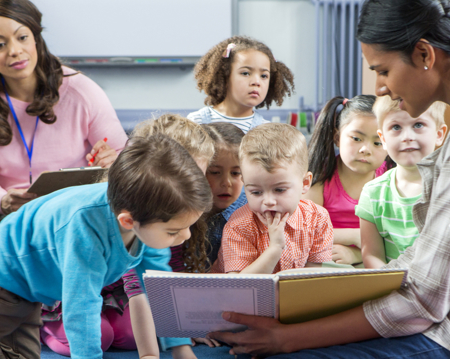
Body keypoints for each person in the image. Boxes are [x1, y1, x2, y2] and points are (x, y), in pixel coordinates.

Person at [207, 0, 450, 357]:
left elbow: (424, 300)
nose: (379, 88)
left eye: (383, 70)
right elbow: (427, 260)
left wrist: (289, 337)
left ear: (424, 55)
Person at [0, 134, 213, 359]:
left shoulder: (145, 214)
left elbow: (157, 285)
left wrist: (180, 346)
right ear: (128, 221)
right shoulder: (85, 227)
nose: (186, 237)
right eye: (175, 230)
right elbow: (82, 307)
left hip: (29, 290)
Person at [0, 0, 128, 257]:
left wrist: (112, 159)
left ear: (35, 38)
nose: (14, 51)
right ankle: (19, 262)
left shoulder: (81, 91)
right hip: (7, 221)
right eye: (0, 45)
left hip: (71, 219)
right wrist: (2, 200)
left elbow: (126, 161)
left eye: (22, 37)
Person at [40, 114, 215, 356]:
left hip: (114, 293)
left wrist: (181, 333)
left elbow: (163, 281)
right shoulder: (136, 216)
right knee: (100, 336)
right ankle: (44, 327)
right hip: (74, 291)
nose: (191, 187)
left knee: (128, 335)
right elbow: (131, 288)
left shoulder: (176, 213)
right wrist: (150, 355)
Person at [212, 123, 334, 274]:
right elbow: (241, 287)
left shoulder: (317, 218)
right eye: (256, 192)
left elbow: (311, 278)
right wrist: (275, 248)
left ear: (305, 183)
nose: (268, 201)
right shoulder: (239, 226)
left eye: (279, 190)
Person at [357, 97, 447, 268]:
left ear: (439, 134)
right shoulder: (372, 193)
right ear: (382, 139)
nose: (407, 137)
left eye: (418, 125)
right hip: (392, 286)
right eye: (396, 127)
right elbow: (372, 255)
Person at [304, 95, 389, 265]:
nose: (365, 149)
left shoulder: (390, 180)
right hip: (328, 262)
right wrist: (356, 236)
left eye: (377, 142)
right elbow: (303, 231)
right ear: (337, 138)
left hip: (377, 262)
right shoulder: (319, 178)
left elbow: (398, 235)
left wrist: (359, 251)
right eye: (356, 139)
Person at [187, 36, 295, 133]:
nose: (256, 82)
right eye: (245, 73)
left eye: (264, 76)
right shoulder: (196, 122)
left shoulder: (267, 131)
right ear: (225, 76)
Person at [202, 122, 247, 266]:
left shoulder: (250, 212)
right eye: (215, 172)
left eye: (236, 173)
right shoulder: (181, 212)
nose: (227, 182)